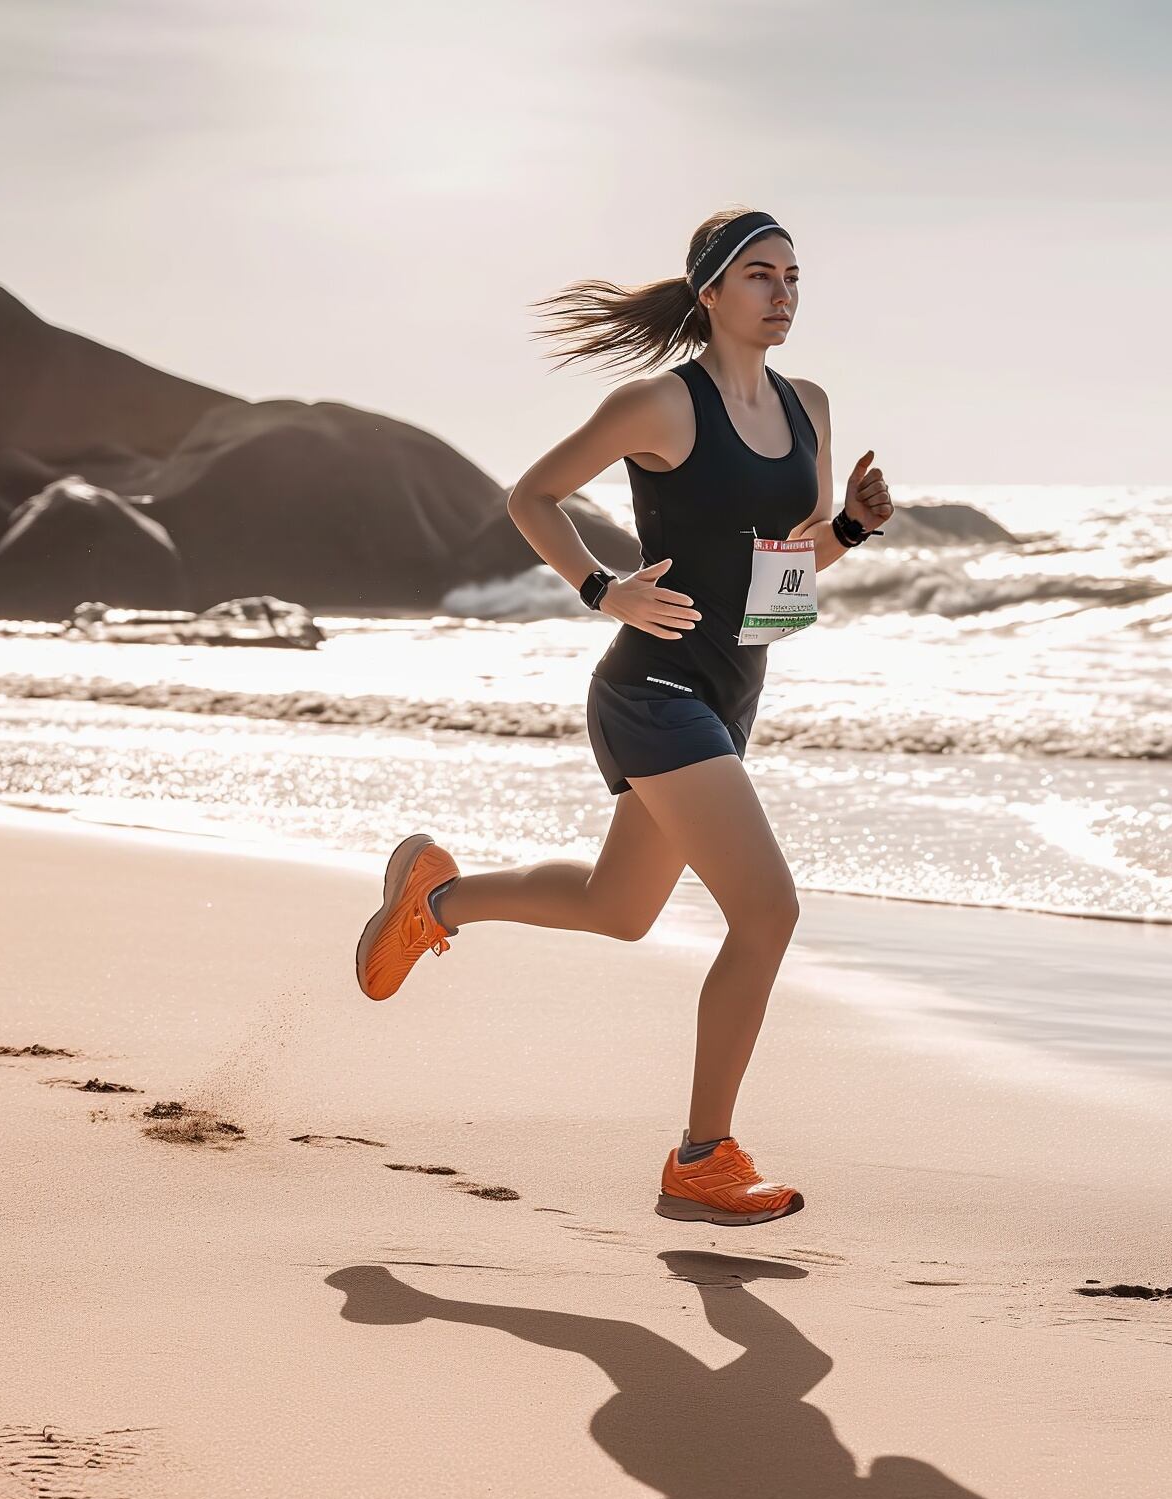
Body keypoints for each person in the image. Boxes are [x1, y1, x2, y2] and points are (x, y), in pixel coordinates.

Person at [352, 209, 893, 1227]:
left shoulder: (808, 406)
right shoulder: (659, 405)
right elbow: (533, 495)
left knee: (618, 909)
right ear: (709, 293)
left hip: (730, 695)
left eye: (791, 277)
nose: (781, 295)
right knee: (767, 910)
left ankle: (438, 901)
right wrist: (603, 590)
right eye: (758, 276)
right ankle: (701, 1156)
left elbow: (783, 576)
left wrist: (852, 529)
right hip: (650, 692)